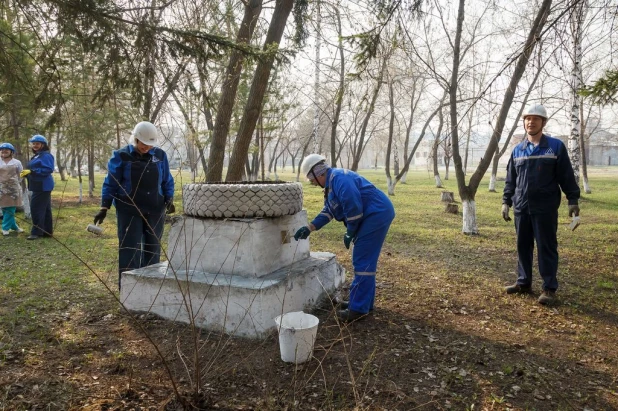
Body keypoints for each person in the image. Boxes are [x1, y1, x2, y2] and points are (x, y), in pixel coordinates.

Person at [293, 154, 395, 322]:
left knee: (362, 260)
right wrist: (310, 227)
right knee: (364, 260)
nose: (312, 182)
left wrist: (351, 232)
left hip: (376, 214)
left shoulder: (340, 180)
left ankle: (358, 309)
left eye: (311, 179)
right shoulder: (333, 183)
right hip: (373, 215)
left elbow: (354, 208)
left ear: (318, 174)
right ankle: (362, 303)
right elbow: (329, 211)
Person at [502, 104, 580, 305]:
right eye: (528, 119)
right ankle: (523, 282)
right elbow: (511, 179)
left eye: (536, 119)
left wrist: (572, 199)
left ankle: (548, 288)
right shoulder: (517, 150)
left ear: (543, 123)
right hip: (521, 207)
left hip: (544, 208)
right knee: (522, 246)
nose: (531, 122)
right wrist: (506, 201)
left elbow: (566, 175)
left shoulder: (555, 147)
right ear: (524, 122)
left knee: (546, 247)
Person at [93, 121, 175, 289]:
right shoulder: (121, 156)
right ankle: (129, 288)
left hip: (155, 208)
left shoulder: (159, 155)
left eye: (149, 144)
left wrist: (169, 198)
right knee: (130, 248)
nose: (146, 147)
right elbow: (111, 182)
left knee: (153, 247)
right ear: (136, 139)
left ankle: (151, 287)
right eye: (143, 143)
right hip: (129, 209)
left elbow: (167, 179)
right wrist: (104, 206)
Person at [24, 135, 55, 240]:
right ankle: (47, 231)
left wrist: (32, 171)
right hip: (38, 185)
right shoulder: (37, 155)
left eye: (37, 143)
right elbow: (34, 170)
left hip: (43, 186)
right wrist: (27, 173)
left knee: (36, 208)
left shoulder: (46, 155)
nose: (34, 145)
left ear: (43, 145)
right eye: (33, 143)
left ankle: (36, 232)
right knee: (45, 210)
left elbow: (48, 170)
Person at [0, 143, 25, 236]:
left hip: (13, 188)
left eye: (6, 149)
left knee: (11, 207)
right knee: (5, 207)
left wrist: (15, 182)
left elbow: (21, 174)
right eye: (2, 149)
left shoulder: (17, 162)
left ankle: (5, 227)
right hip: (1, 188)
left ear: (11, 152)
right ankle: (14, 227)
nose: (4, 151)